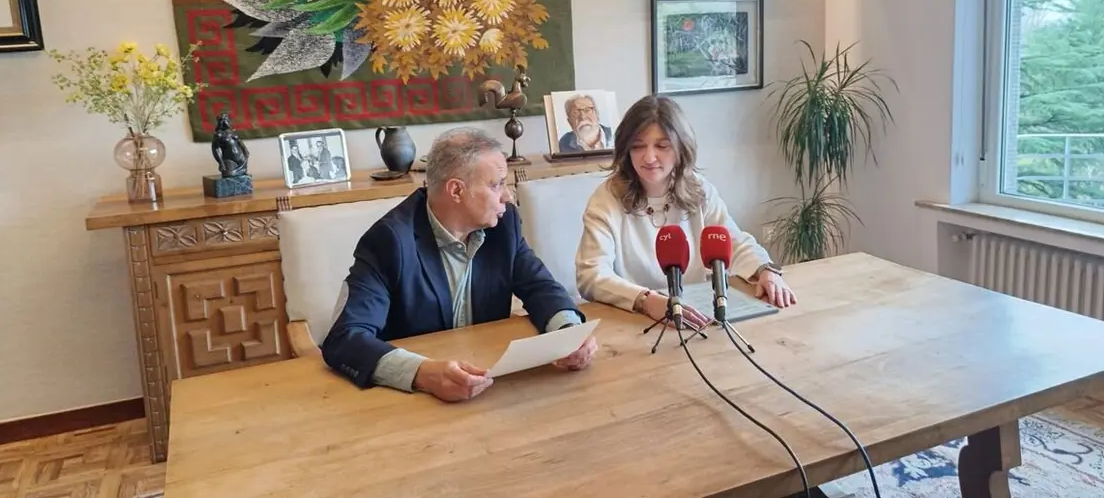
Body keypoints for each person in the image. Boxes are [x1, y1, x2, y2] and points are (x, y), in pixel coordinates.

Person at [323, 127, 598, 402]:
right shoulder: (389, 241)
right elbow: (346, 338)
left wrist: (568, 333)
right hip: (412, 402)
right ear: (456, 190)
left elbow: (541, 287)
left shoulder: (504, 225)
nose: (508, 197)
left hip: (489, 386)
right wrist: (422, 373)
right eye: (496, 184)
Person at [575, 95, 796, 329]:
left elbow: (733, 242)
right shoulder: (606, 199)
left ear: (681, 147)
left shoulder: (698, 189)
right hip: (633, 321)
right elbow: (591, 275)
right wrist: (646, 300)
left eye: (662, 146)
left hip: (695, 318)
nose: (649, 157)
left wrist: (765, 270)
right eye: (638, 146)